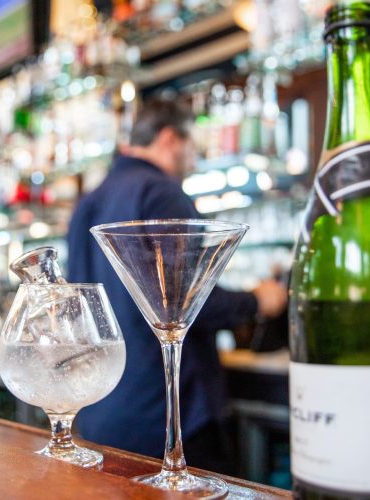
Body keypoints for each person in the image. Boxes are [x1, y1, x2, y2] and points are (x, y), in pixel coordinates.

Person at [66, 98, 287, 472]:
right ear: (170, 139)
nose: (195, 161)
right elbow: (185, 302)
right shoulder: (161, 191)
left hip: (100, 411)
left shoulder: (88, 202)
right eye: (193, 149)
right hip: (167, 413)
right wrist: (256, 300)